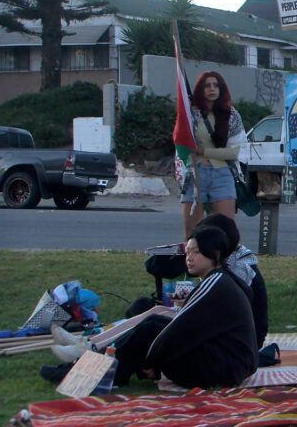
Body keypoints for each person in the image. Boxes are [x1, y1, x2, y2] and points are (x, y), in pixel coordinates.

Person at [113, 224, 258, 388]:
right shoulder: (222, 279)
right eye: (187, 252)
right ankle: (107, 361)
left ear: (215, 254)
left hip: (224, 369)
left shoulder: (216, 283)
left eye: (196, 252)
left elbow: (179, 330)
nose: (189, 258)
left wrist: (150, 362)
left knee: (151, 329)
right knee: (154, 320)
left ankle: (109, 375)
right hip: (230, 363)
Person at [180, 71, 247, 239]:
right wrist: (184, 112)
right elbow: (182, 142)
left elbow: (236, 152)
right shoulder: (191, 114)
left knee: (226, 231)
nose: (212, 89)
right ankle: (191, 262)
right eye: (207, 85)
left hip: (222, 174)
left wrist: (205, 151)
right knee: (191, 231)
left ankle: (224, 264)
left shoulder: (232, 116)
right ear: (200, 89)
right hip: (196, 173)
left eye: (216, 85)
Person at [198, 213, 269, 348]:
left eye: (198, 249)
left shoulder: (239, 269)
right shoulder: (227, 259)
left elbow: (221, 314)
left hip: (241, 343)